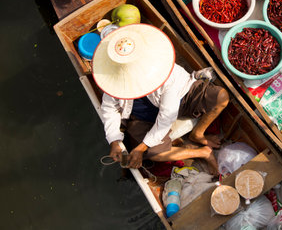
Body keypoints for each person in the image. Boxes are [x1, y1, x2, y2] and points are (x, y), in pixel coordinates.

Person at [93, 24, 229, 175]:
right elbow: (109, 108)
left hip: (182, 98)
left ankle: (197, 134)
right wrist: (114, 141)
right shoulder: (113, 78)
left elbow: (166, 117)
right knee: (154, 153)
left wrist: (141, 147)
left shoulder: (162, 69)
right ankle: (202, 152)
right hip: (142, 118)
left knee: (221, 97)